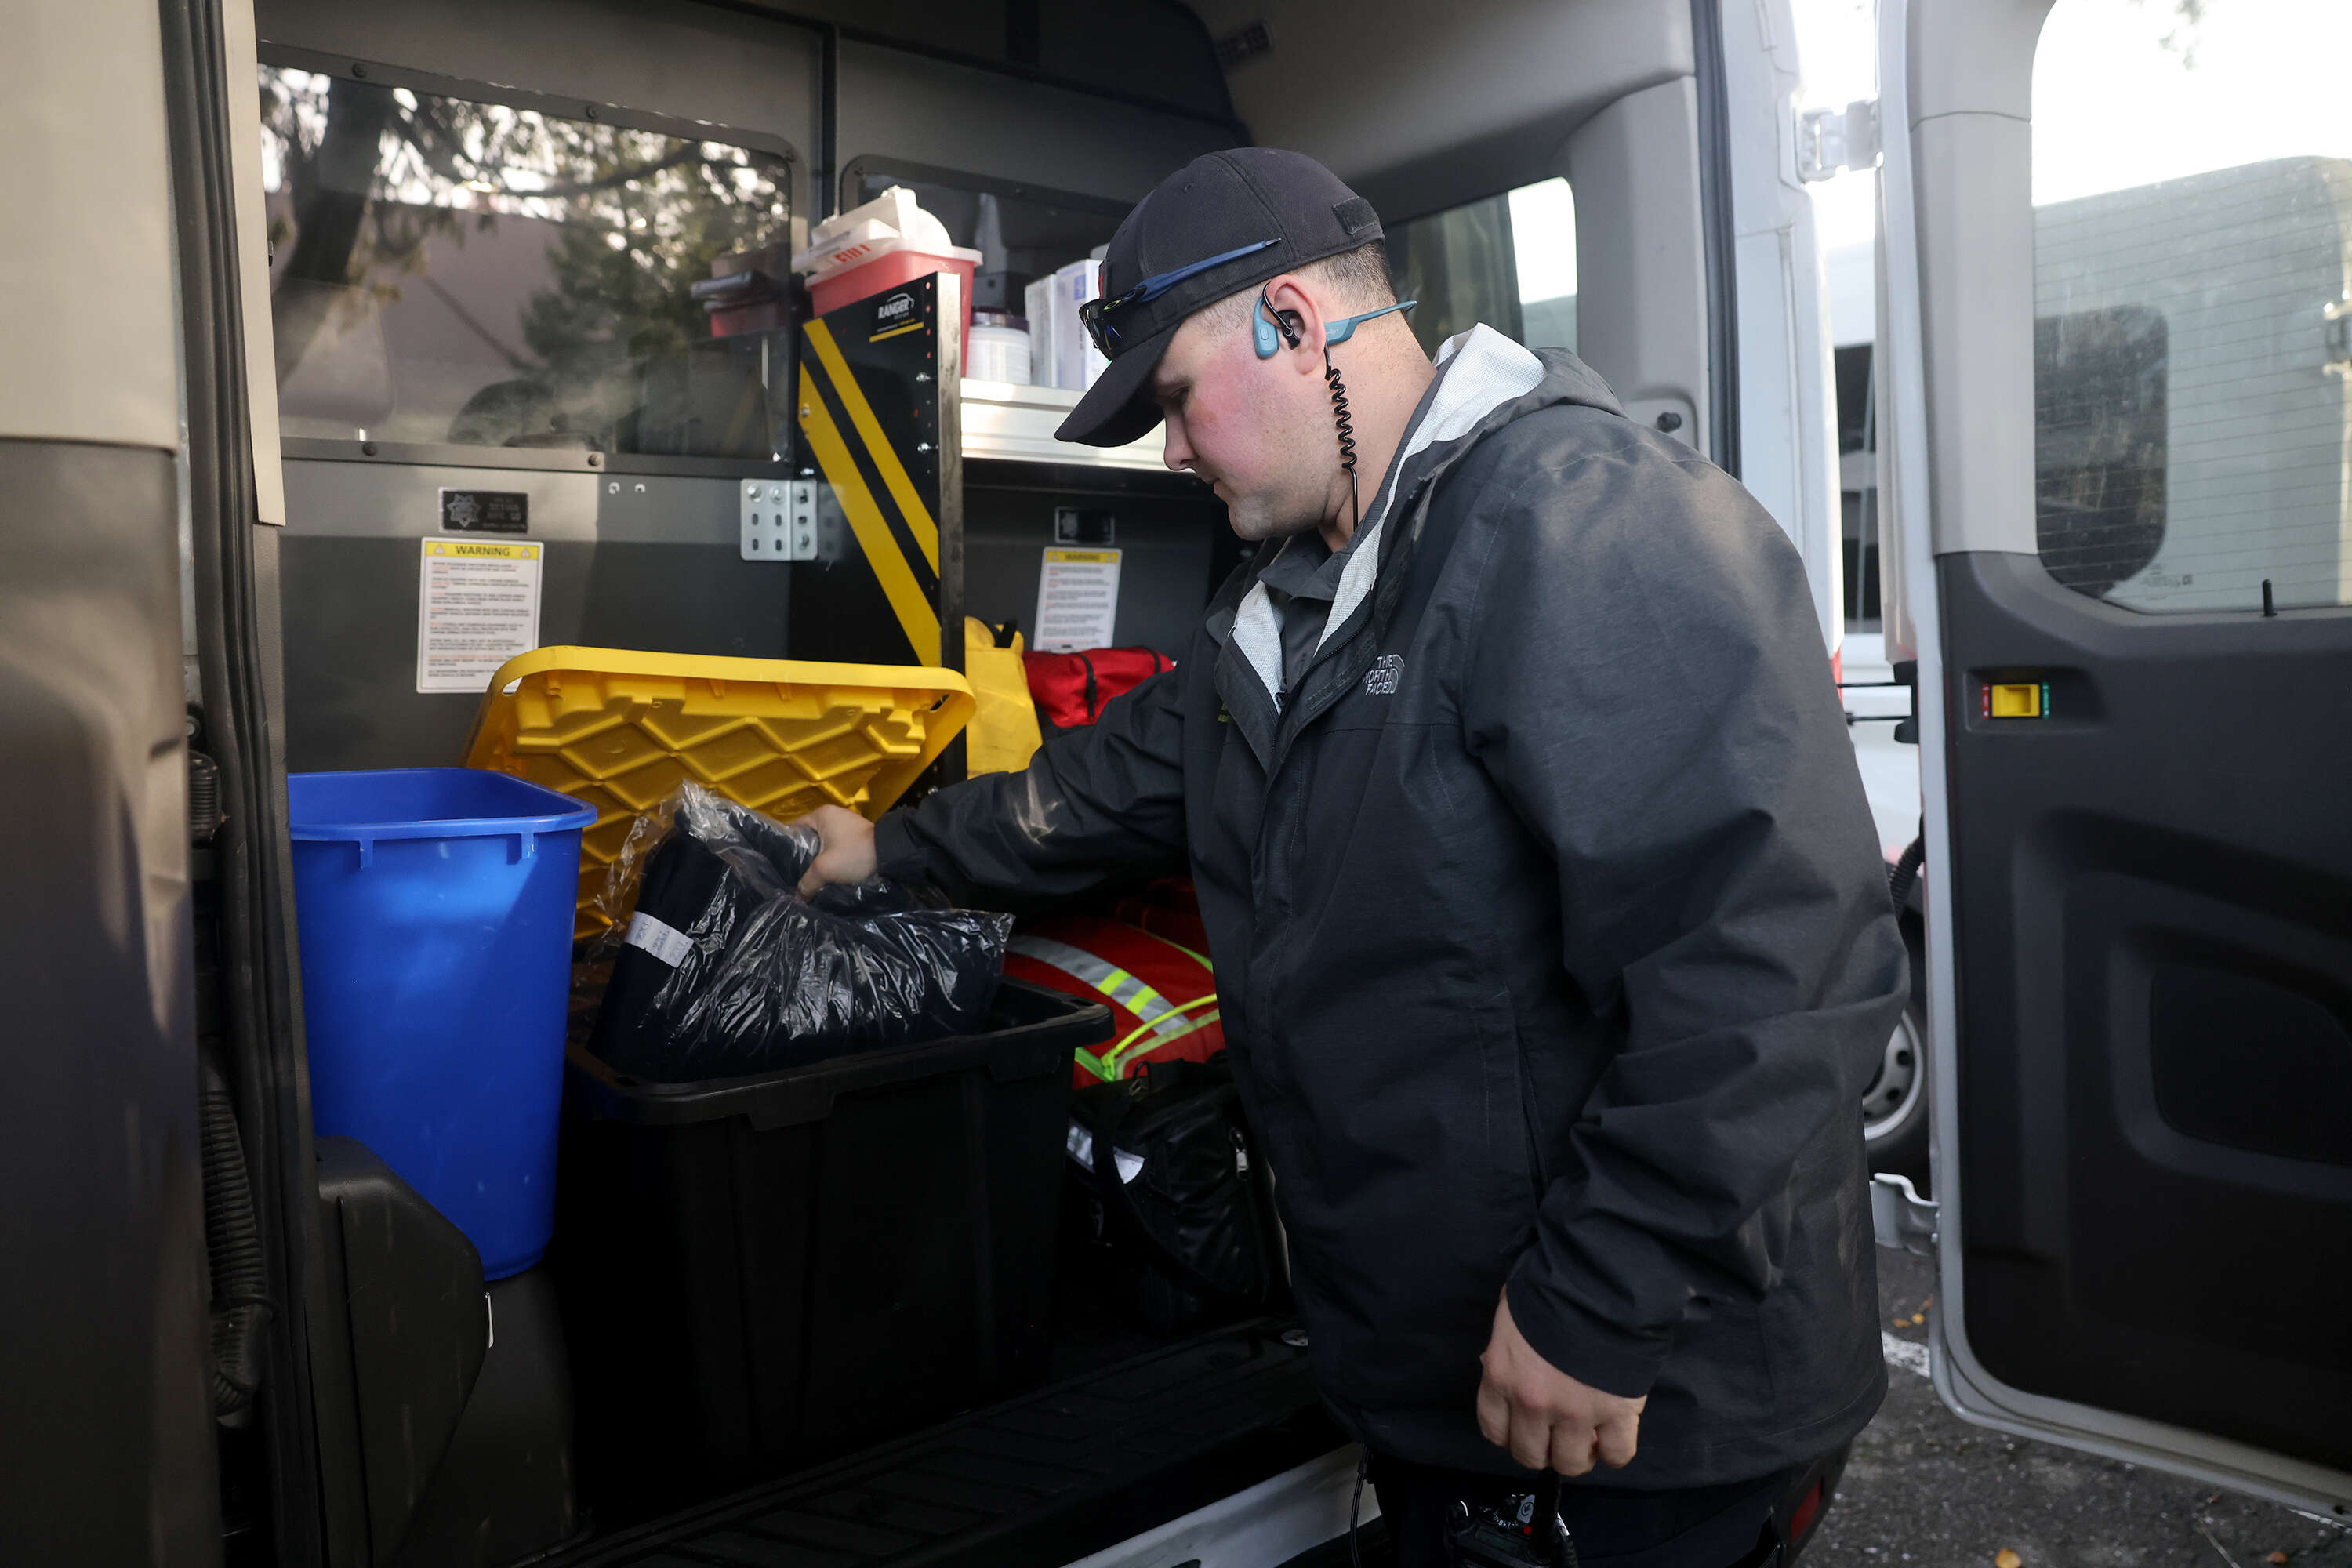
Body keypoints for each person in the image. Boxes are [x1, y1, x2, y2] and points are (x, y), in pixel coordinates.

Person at [796, 148, 1907, 1566]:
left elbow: (1779, 956)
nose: (1173, 452)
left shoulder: (1582, 525)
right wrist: (876, 849)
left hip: (1640, 1413)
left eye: (1177, 401)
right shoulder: (1295, 597)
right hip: (1438, 1387)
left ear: (1291, 321)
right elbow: (1093, 791)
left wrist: (1602, 1295)